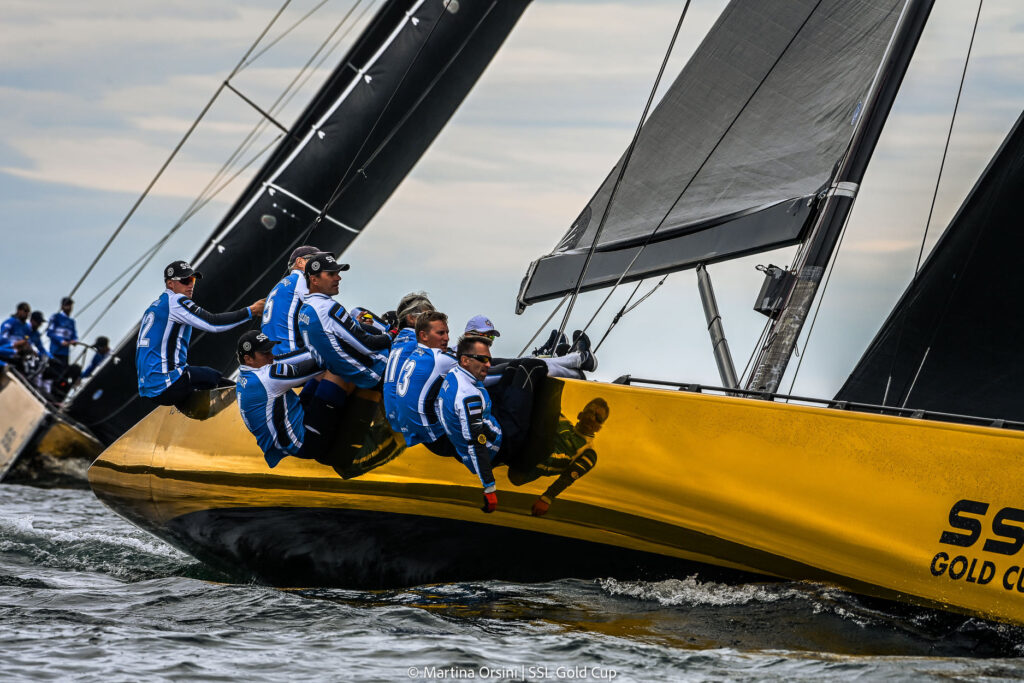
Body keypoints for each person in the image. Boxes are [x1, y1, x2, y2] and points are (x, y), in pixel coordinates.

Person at [136, 260, 265, 409]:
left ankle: (190, 410)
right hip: (167, 385)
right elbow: (213, 323)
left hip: (149, 389)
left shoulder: (154, 306)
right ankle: (256, 404)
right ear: (170, 284)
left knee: (196, 378)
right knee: (212, 377)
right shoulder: (175, 301)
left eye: (192, 280)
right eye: (185, 281)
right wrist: (252, 310)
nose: (190, 285)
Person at [235, 330, 350, 468]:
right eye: (265, 353)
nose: (271, 356)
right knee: (338, 366)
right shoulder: (266, 377)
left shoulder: (244, 375)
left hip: (292, 429)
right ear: (248, 359)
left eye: (270, 351)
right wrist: (349, 338)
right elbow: (321, 362)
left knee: (321, 374)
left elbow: (303, 354)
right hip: (306, 443)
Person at [297, 253, 390, 390]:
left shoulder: (304, 310)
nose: (338, 278)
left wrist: (354, 324)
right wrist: (392, 335)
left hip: (350, 375)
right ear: (314, 280)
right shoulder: (328, 308)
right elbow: (368, 345)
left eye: (337, 273)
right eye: (331, 274)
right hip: (376, 372)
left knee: (358, 313)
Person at [509, 398, 610, 516]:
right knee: (550, 405)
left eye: (598, 418)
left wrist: (546, 499)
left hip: (525, 469)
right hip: (516, 448)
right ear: (580, 415)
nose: (592, 418)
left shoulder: (589, 452)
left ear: (599, 428)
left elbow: (568, 478)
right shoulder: (562, 421)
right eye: (590, 412)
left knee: (550, 410)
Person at [438, 335, 503, 513]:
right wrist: (489, 487)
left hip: (463, 442)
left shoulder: (453, 373)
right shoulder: (469, 396)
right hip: (494, 446)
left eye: (489, 359)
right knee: (529, 371)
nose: (488, 365)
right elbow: (476, 443)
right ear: (465, 360)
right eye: (482, 360)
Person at [394, 311, 457, 451]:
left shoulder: (414, 355)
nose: (447, 338)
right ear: (423, 335)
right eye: (441, 333)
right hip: (437, 439)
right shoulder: (439, 359)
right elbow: (482, 372)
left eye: (447, 332)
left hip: (415, 434)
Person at [464, 316, 597, 383]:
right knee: (524, 367)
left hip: (480, 379)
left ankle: (553, 357)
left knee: (506, 362)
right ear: (467, 335)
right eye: (483, 336)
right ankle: (580, 359)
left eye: (490, 336)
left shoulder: (463, 354)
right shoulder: (454, 358)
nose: (488, 340)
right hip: (478, 381)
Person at [383, 291, 435, 431]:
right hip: (413, 426)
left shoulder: (398, 342)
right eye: (428, 316)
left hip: (395, 420)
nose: (434, 322)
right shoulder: (419, 345)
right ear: (411, 318)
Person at [262, 245, 320, 359]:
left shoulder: (278, 286)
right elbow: (323, 316)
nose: (321, 265)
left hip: (273, 359)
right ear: (300, 262)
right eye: (316, 260)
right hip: (291, 356)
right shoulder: (302, 279)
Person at [0, 303, 32, 373]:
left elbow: (28, 340)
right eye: (25, 311)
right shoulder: (10, 322)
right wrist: (15, 344)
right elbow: (2, 339)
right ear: (19, 311)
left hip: (19, 357)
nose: (27, 314)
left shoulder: (27, 327)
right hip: (6, 353)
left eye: (28, 312)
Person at [46, 297, 78, 367]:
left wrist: (75, 340)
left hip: (65, 353)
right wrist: (61, 341)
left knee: (64, 372)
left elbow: (74, 335)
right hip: (55, 351)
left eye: (70, 305)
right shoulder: (55, 317)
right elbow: (49, 332)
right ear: (62, 306)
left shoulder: (71, 321)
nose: (69, 307)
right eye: (67, 305)